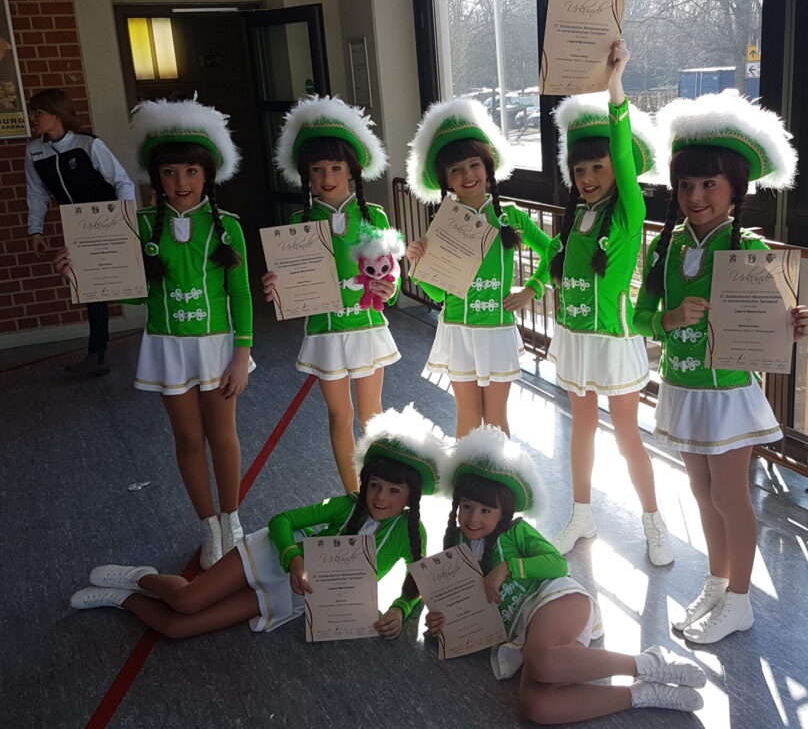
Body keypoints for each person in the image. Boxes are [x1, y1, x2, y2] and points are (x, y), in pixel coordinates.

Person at [634, 90, 808, 644]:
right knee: (701, 492)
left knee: (731, 497)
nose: (696, 196)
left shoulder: (752, 250)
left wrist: (793, 324)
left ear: (736, 188)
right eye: (686, 184)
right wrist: (669, 318)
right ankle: (717, 582)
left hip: (730, 393)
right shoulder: (662, 249)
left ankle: (740, 601)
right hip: (682, 387)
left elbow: (773, 326)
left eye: (709, 183)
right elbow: (639, 318)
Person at [58, 98, 254, 569]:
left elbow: (242, 293)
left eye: (191, 171)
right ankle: (208, 526)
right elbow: (134, 295)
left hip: (217, 346)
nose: (181, 182)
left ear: (207, 174)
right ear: (156, 177)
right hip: (167, 346)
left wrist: (241, 353)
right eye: (169, 172)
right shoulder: (140, 227)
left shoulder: (228, 227)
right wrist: (80, 274)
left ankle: (232, 519)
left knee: (223, 436)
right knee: (187, 439)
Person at [69, 406, 442, 640]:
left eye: (394, 490)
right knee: (186, 600)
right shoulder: (345, 506)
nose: (380, 497)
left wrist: (400, 609)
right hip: (276, 556)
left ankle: (124, 599)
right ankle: (140, 577)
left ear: (411, 497)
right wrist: (294, 558)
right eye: (375, 485)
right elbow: (282, 520)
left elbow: (418, 581)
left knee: (176, 627)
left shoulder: (412, 533)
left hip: (296, 596)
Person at [426, 425, 706, 723]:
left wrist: (507, 567)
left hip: (554, 599)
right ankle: (642, 694)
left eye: (486, 510)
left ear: (503, 512)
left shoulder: (517, 531)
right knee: (537, 707)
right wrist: (443, 621)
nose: (472, 518)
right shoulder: (456, 546)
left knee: (541, 661)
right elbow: (465, 606)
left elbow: (557, 564)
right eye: (466, 507)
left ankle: (647, 664)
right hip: (524, 632)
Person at [545, 41, 672, 565]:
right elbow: (550, 259)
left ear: (617, 171)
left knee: (625, 436)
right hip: (576, 339)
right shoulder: (576, 218)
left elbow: (622, 151)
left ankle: (653, 521)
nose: (589, 178)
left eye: (597, 167)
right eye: (580, 171)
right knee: (579, 429)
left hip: (616, 341)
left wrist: (615, 86)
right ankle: (581, 514)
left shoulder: (628, 212)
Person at [264, 96, 399, 492]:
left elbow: (390, 282)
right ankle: (353, 495)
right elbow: (292, 288)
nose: (327, 176)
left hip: (366, 326)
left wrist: (388, 288)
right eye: (317, 168)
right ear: (305, 174)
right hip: (324, 332)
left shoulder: (374, 216)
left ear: (352, 171)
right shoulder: (298, 225)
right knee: (340, 416)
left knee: (372, 416)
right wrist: (277, 287)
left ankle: (380, 493)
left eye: (336, 167)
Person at [404, 98, 552, 438]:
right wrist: (418, 264)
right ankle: (465, 475)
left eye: (474, 165)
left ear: (488, 168)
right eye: (456, 170)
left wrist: (532, 289)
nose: (467, 175)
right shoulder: (443, 225)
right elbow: (439, 293)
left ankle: (498, 476)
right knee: (467, 421)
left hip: (497, 329)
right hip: (457, 330)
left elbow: (553, 252)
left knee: (496, 422)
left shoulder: (511, 216)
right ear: (445, 180)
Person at [25, 88, 136, 376]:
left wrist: (126, 222)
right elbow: (36, 193)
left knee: (136, 278)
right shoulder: (34, 151)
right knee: (91, 289)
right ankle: (97, 355)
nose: (33, 118)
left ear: (57, 114)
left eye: (38, 112)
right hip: (78, 228)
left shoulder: (88, 144)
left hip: (109, 222)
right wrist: (35, 230)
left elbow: (122, 182)